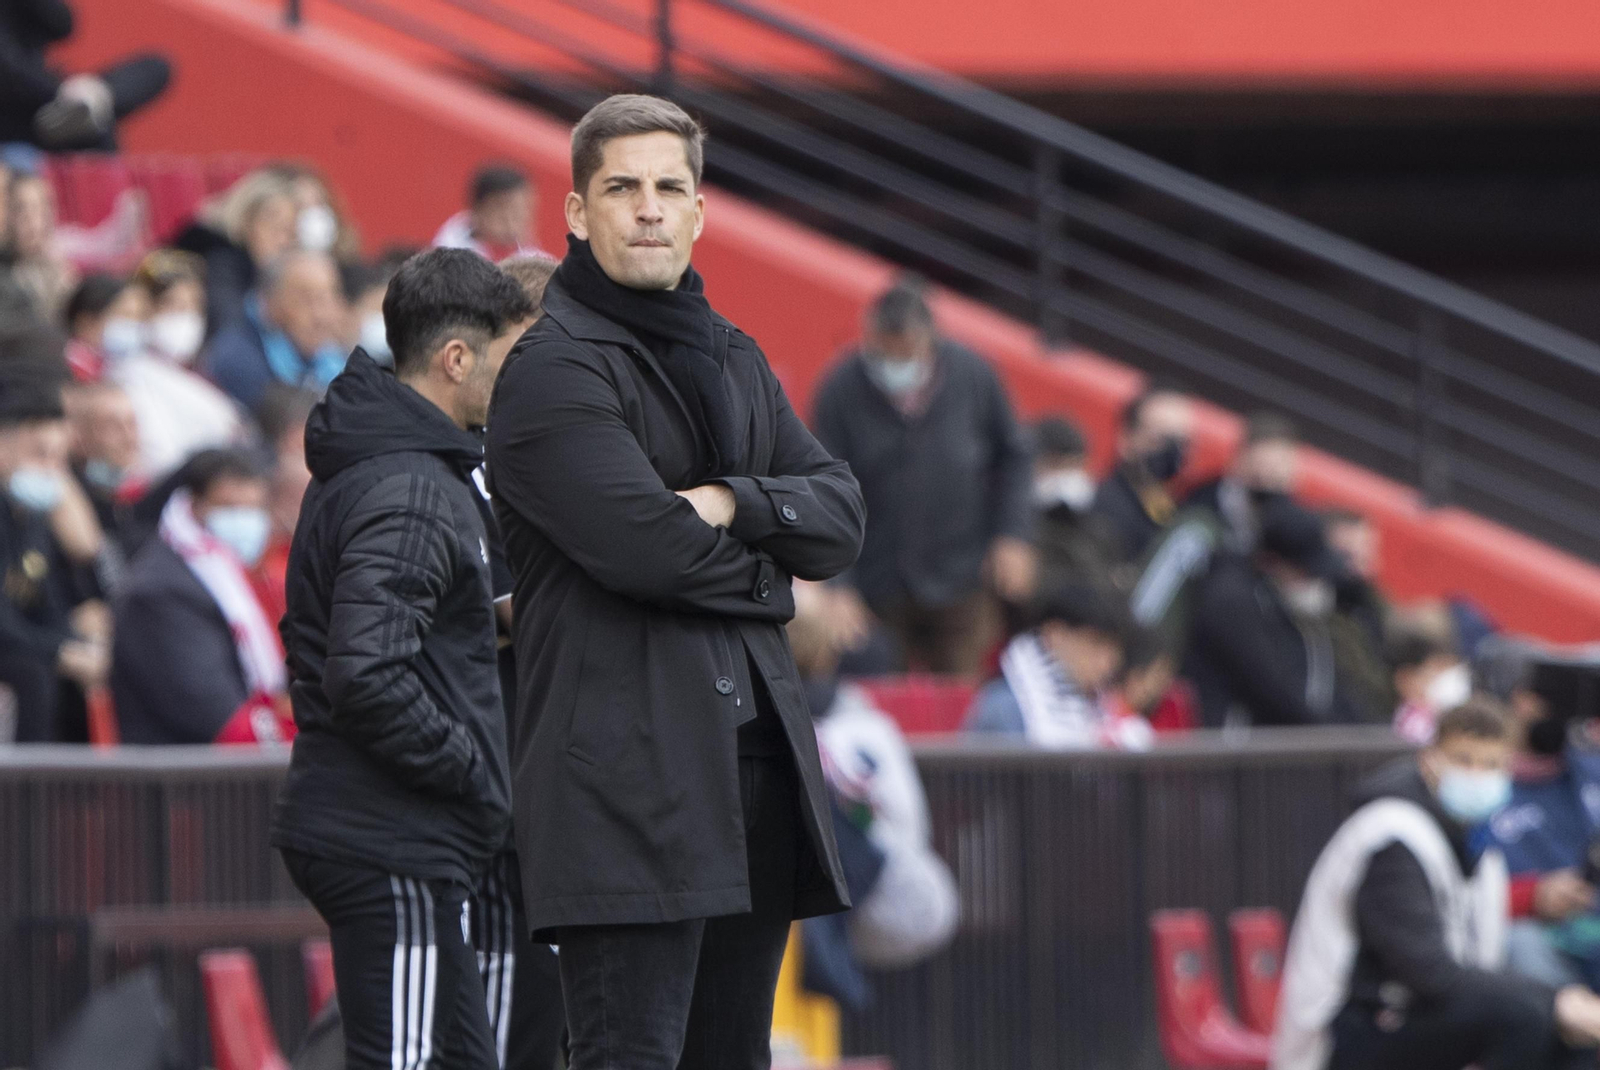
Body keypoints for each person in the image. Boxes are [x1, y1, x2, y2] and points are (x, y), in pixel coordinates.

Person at [484, 94, 866, 1070]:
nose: (648, 208)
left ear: (698, 212)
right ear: (576, 213)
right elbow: (648, 549)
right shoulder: (549, 369)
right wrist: (776, 585)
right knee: (628, 1054)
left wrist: (733, 500)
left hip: (753, 772)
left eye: (669, 187)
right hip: (627, 782)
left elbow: (842, 514)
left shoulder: (733, 352)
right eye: (621, 187)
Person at [272, 248, 531, 1068]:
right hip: (393, 840)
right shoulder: (413, 484)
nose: (515, 383)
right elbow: (367, 671)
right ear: (458, 359)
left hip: (391, 833)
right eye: (508, 360)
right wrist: (471, 765)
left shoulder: (385, 463)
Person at [1274, 699, 1600, 1070]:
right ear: (1429, 760)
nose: (1478, 775)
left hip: (1410, 1015)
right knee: (1528, 1016)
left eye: (1492, 765)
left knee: (1569, 1032)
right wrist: (1555, 1000)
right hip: (1346, 1032)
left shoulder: (1472, 841)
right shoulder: (1391, 836)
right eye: (1464, 760)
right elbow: (1429, 974)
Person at [812, 278, 1033, 674]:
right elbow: (823, 492)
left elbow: (1014, 457)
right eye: (884, 352)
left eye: (907, 352)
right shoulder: (841, 388)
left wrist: (1012, 535)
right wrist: (837, 585)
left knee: (959, 705)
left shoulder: (974, 375)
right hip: (876, 585)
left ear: (930, 339)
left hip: (962, 577)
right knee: (880, 703)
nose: (896, 364)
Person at [110, 449, 291, 745]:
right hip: (185, 774)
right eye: (229, 507)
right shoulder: (162, 592)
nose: (244, 521)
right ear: (194, 504)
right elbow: (213, 713)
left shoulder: (232, 575)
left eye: (253, 509)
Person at [1479, 641, 1600, 993]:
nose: (1548, 712)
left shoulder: (1586, 768)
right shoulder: (1480, 782)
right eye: (1533, 699)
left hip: (1589, 928)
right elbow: (1452, 896)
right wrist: (1533, 897)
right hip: (1530, 935)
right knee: (1522, 946)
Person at [1186, 496, 1363, 726]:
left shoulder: (1275, 603)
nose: (1313, 582)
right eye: (1304, 573)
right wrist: (1336, 735)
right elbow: (1274, 689)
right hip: (1224, 746)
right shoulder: (1232, 604)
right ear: (1271, 563)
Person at [0, 374, 107, 742]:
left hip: (21, 639)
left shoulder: (31, 515)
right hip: (11, 648)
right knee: (34, 671)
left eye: (60, 459)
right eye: (40, 454)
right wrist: (61, 651)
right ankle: (31, 795)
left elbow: (48, 604)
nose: (52, 471)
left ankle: (88, 794)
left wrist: (77, 645)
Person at [965, 582, 1147, 749]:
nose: (1108, 663)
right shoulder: (1005, 708)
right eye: (1096, 644)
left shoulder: (1105, 709)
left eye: (1114, 650)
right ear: (1055, 635)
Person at [115, 251, 245, 480]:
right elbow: (158, 455)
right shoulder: (129, 372)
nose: (185, 316)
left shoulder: (200, 371)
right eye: (172, 304)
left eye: (194, 305)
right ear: (146, 309)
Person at [0, 0, 170, 149]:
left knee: (156, 67)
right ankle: (88, 104)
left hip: (55, 102)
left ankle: (94, 99)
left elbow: (63, 24)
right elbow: (9, 72)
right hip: (20, 114)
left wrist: (79, 93)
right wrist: (61, 91)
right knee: (94, 124)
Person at [203, 250, 347, 414]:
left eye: (328, 298)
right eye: (307, 299)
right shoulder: (237, 359)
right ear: (269, 302)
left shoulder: (334, 360)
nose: (321, 316)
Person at [174, 168, 299, 334]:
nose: (283, 241)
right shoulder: (224, 265)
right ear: (246, 221)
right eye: (275, 228)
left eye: (290, 233)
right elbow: (230, 328)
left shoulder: (282, 274)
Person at [1089, 385, 1195, 568]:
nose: (1174, 453)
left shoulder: (1170, 513)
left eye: (1182, 443)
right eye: (1161, 440)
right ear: (1127, 437)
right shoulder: (1104, 510)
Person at [1030, 414, 1114, 595]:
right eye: (1063, 467)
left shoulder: (1093, 529)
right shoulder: (1010, 521)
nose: (1072, 479)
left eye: (1079, 468)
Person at [433, 165, 544, 262]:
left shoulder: (535, 259)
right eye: (504, 210)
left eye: (524, 209)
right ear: (478, 210)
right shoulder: (449, 256)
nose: (513, 221)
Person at [8, 173, 78, 322]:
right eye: (20, 208)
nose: (31, 218)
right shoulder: (7, 272)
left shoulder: (57, 263)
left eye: (39, 208)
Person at [1390, 617, 1471, 744]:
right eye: (1439, 669)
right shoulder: (1412, 724)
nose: (1448, 678)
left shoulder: (1450, 716)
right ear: (1406, 678)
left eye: (1451, 668)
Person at [61, 272, 147, 383]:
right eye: (125, 315)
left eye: (140, 316)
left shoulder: (111, 367)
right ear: (87, 322)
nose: (134, 324)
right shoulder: (70, 369)